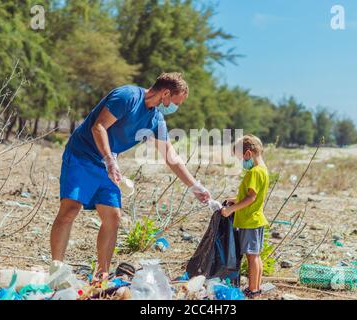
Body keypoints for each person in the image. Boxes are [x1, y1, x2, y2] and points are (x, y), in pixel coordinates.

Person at [50, 72, 211, 276]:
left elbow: (170, 155)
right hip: (82, 156)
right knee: (70, 209)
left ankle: (102, 275)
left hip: (108, 165)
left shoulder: (156, 119)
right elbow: (98, 127)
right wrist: (109, 159)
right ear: (166, 93)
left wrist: (194, 185)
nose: (175, 108)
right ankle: (55, 271)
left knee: (112, 216)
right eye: (176, 102)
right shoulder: (127, 96)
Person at [220, 134, 270, 299]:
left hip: (250, 221)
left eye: (240, 158)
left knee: (252, 256)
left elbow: (251, 198)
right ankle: (257, 287)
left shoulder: (254, 173)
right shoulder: (263, 170)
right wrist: (233, 200)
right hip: (256, 219)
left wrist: (231, 209)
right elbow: (251, 195)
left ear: (248, 154)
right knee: (255, 255)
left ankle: (253, 289)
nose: (241, 162)